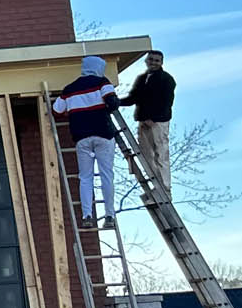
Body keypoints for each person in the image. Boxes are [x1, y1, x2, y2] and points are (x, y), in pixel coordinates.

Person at [52, 55, 121, 228]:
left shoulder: (69, 89)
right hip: (103, 135)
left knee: (85, 177)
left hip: (82, 138)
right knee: (106, 175)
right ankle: (109, 216)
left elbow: (56, 110)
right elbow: (112, 103)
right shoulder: (102, 82)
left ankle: (87, 216)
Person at [127, 49, 175, 197]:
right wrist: (115, 102)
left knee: (161, 155)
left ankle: (165, 189)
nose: (153, 62)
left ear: (161, 63)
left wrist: (153, 119)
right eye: (151, 59)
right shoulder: (142, 79)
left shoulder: (166, 79)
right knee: (147, 155)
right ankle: (156, 186)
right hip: (143, 122)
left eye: (156, 60)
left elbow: (167, 102)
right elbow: (133, 98)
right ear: (146, 61)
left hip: (158, 123)